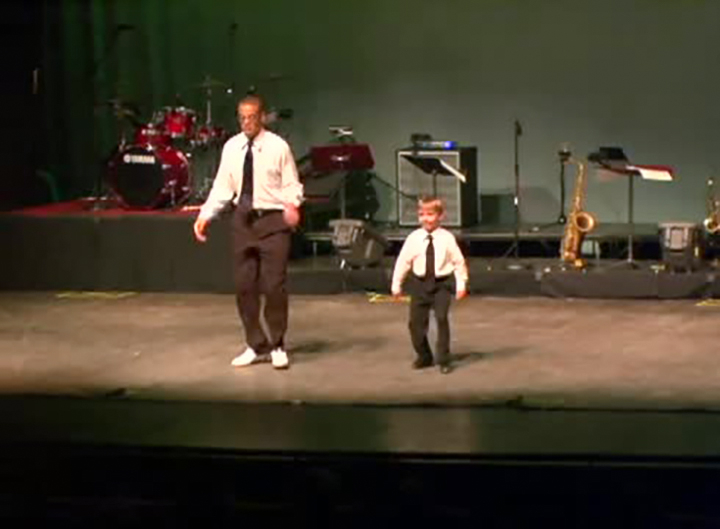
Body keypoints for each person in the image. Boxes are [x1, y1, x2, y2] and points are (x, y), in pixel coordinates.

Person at [193, 95, 303, 370]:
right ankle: (255, 344)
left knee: (274, 286)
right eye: (242, 117)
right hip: (243, 221)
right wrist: (205, 215)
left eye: (252, 117)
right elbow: (222, 186)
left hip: (273, 222)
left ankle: (277, 344)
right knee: (244, 287)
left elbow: (292, 184)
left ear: (262, 117)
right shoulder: (232, 147)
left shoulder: (278, 147)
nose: (247, 122)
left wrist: (292, 205)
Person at [391, 196, 468, 374]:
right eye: (421, 214)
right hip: (419, 284)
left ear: (440, 216)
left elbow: (458, 262)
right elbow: (403, 262)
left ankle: (443, 359)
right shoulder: (414, 238)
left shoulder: (447, 238)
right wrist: (396, 284)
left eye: (430, 214)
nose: (426, 218)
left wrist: (461, 284)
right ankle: (424, 356)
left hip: (441, 285)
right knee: (415, 324)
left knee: (441, 319)